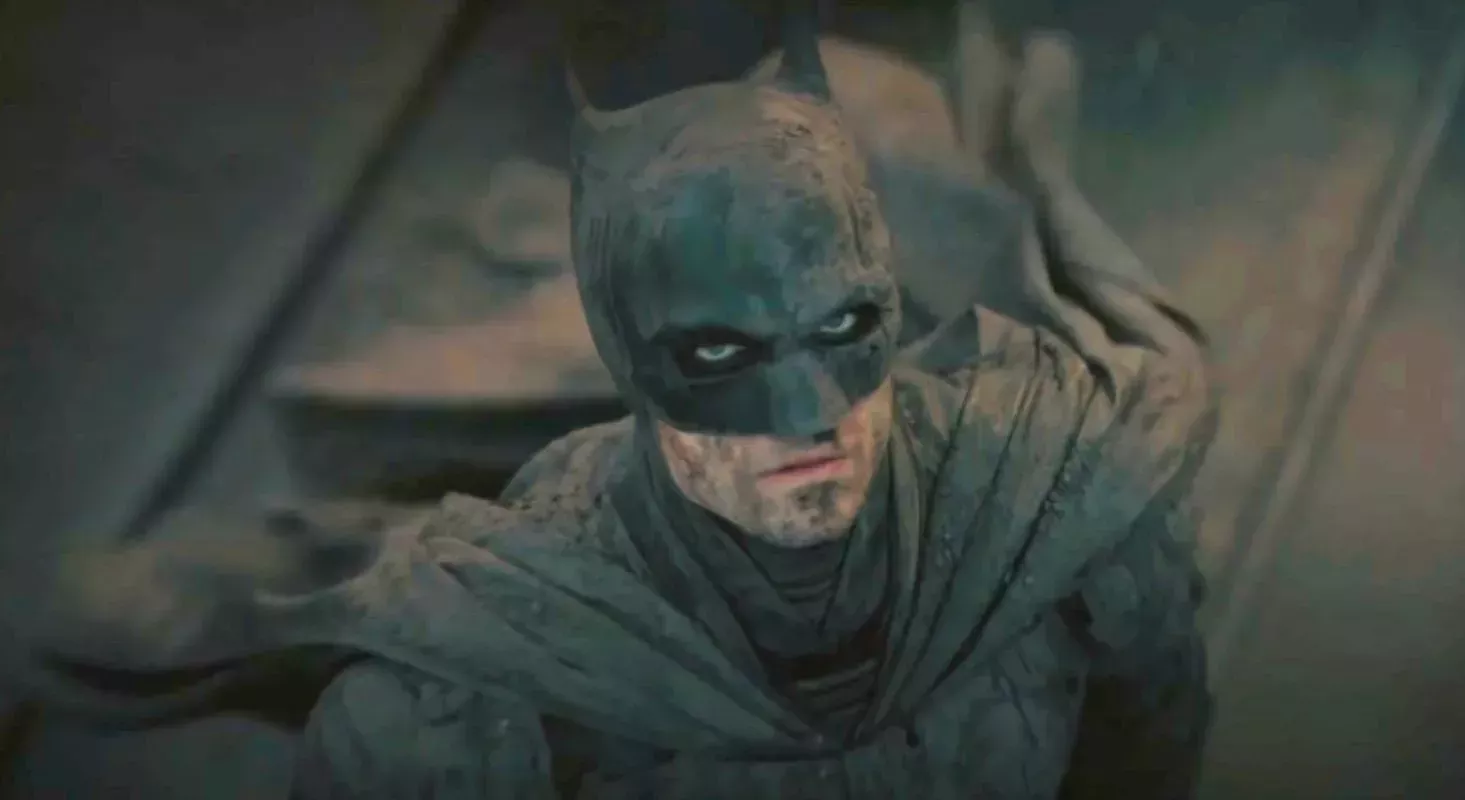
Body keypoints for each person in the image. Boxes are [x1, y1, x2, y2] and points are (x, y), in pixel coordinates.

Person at [16, 6, 1217, 798]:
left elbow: (1145, 750)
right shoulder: (444, 720)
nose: (806, 409)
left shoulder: (1070, 509)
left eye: (847, 329)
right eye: (721, 354)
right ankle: (345, 571)